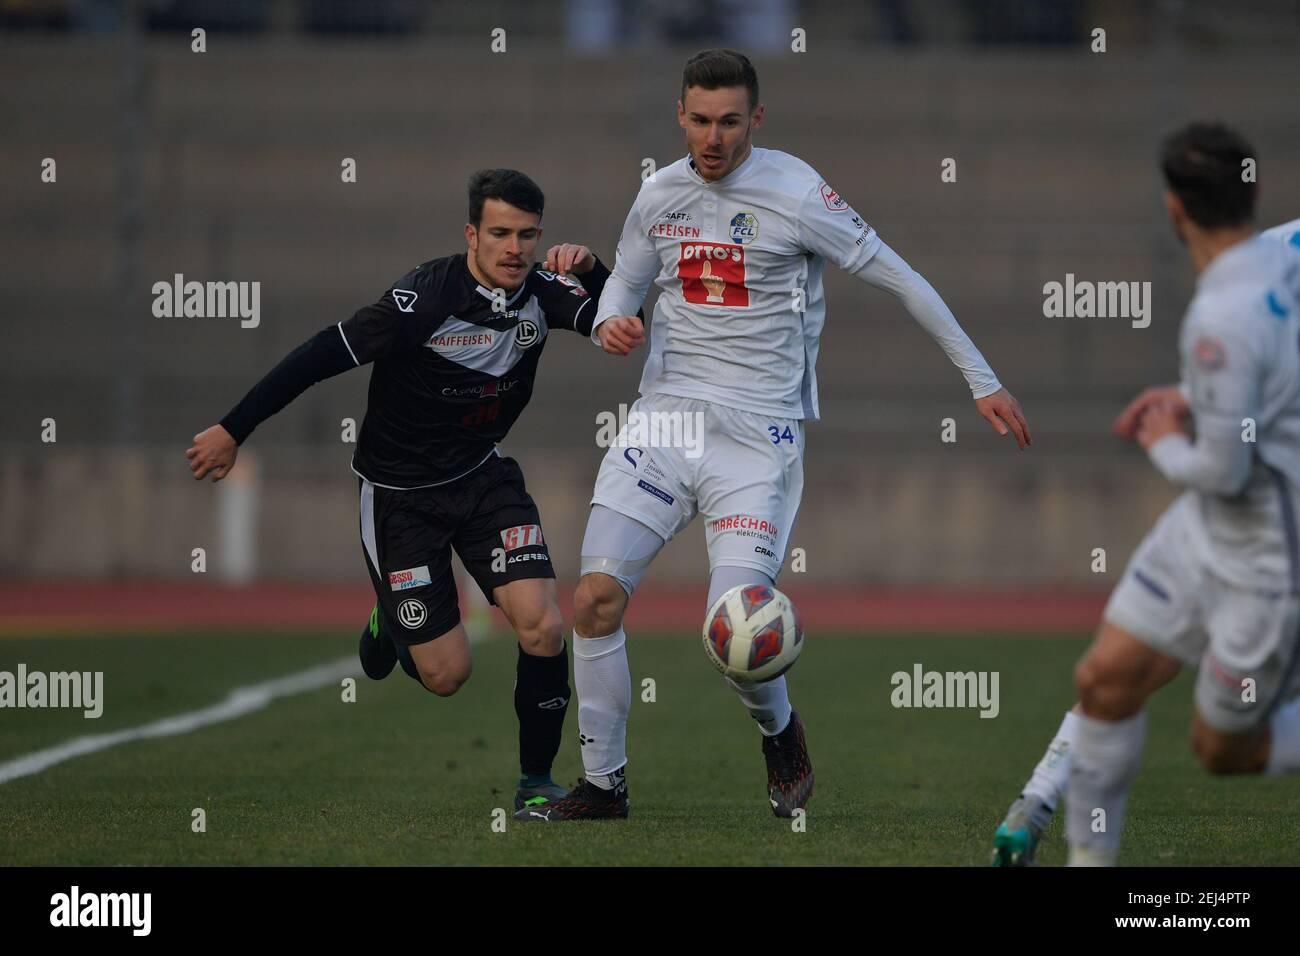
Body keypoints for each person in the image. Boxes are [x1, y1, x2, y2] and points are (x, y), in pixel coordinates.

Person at [518, 49, 1029, 822]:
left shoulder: (797, 192)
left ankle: (780, 729)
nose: (714, 137)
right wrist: (609, 320)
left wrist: (981, 378)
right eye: (700, 120)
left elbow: (901, 277)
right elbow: (623, 291)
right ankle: (603, 786)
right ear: (680, 117)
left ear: (755, 118)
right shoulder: (658, 194)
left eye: (730, 121)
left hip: (757, 439)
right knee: (592, 598)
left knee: (737, 633)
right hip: (665, 419)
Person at [187, 169, 623, 812]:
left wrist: (594, 271)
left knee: (545, 627)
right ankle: (391, 617)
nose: (514, 249)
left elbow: (621, 326)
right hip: (400, 496)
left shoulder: (544, 292)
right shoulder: (422, 299)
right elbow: (317, 356)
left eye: (528, 235)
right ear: (471, 234)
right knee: (448, 676)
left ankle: (537, 784)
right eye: (500, 233)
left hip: (483, 479)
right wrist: (233, 428)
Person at [991, 125, 1300, 867]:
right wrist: (1204, 398)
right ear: (1253, 194)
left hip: (1267, 559)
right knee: (1104, 678)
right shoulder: (1284, 252)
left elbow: (1222, 472)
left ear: (1173, 211)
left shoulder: (1218, 319)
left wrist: (1163, 436)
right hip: (1206, 531)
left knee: (1223, 750)